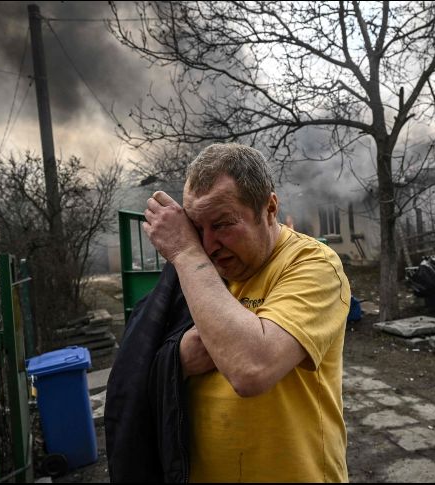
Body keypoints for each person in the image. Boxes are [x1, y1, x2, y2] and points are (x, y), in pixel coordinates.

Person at [143, 143, 350, 482]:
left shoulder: (314, 265)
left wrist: (184, 250)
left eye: (223, 224)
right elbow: (137, 366)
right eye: (196, 228)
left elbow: (252, 368)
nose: (207, 245)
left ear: (269, 208)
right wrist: (177, 359)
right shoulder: (197, 271)